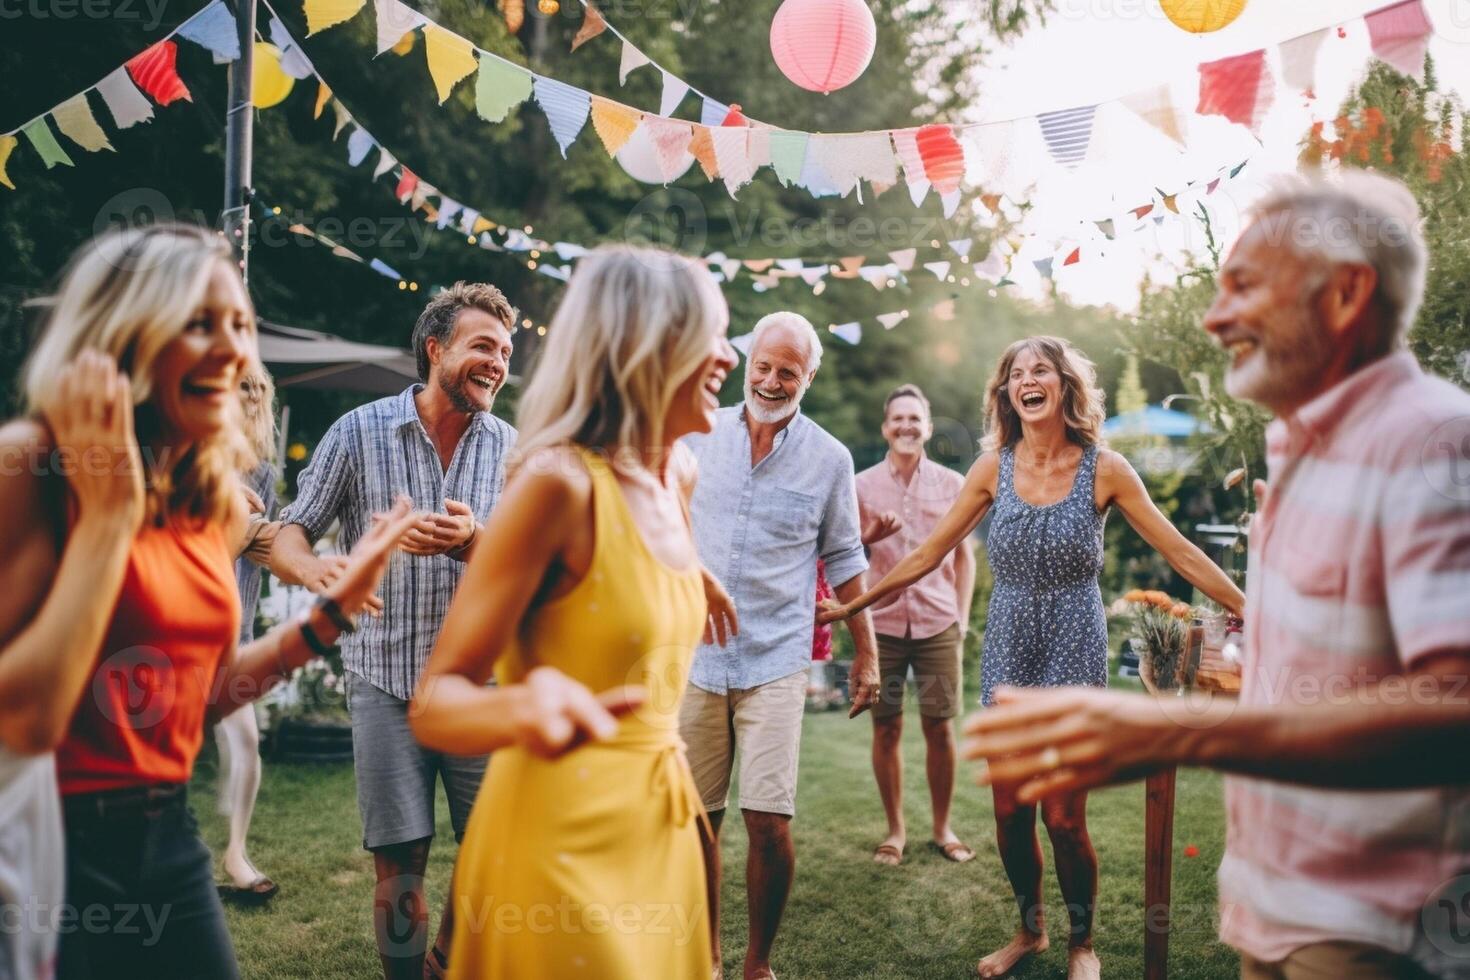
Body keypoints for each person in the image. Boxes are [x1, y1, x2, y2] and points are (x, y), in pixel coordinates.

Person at [960, 172, 1470, 980]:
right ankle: (1036, 930)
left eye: (1244, 287)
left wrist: (1177, 730)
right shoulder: (1294, 451)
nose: (1215, 316)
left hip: (1373, 926)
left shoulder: (1432, 442)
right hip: (1271, 904)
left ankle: (1081, 941)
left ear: (1345, 293)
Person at [0, 223, 423, 980]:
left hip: (166, 835)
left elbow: (201, 696)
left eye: (241, 325)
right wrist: (105, 523)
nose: (235, 351)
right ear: (123, 332)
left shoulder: (218, 500)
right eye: (201, 323)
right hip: (39, 847)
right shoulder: (31, 466)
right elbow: (22, 717)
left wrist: (329, 613)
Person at [820, 336, 1244, 980]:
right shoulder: (992, 468)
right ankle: (1030, 930)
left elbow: (1179, 551)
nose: (1027, 380)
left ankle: (1082, 944)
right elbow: (927, 554)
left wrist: (1254, 606)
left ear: (1064, 385)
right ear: (1007, 394)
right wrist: (855, 606)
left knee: (1065, 817)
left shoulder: (1106, 468)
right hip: (1011, 647)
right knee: (1010, 814)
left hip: (1073, 644)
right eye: (1017, 374)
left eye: (1040, 370)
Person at [409, 244, 739, 979]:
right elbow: (437, 701)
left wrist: (692, 580)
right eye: (711, 333)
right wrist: (526, 705)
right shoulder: (556, 486)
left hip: (661, 830)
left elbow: (624, 579)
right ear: (647, 344)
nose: (726, 355)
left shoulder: (677, 475)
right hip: (557, 846)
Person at [269, 281, 517, 979]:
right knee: (399, 864)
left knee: (493, 858)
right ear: (435, 349)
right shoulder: (357, 431)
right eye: (482, 347)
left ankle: (445, 958)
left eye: (504, 351)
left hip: (480, 689)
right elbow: (292, 528)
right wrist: (317, 574)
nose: (497, 363)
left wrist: (475, 541)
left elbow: (537, 568)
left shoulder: (516, 451)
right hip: (384, 682)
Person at [680, 310, 881, 980]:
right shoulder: (697, 435)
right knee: (694, 821)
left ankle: (756, 964)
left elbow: (848, 557)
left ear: (809, 376)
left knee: (768, 819)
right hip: (694, 657)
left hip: (775, 659)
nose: (770, 381)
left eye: (786, 371)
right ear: (747, 362)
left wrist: (868, 655)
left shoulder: (830, 459)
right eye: (762, 366)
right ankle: (703, 955)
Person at [856, 383, 977, 867]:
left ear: (926, 427)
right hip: (880, 624)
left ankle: (943, 827)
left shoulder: (952, 484)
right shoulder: (860, 486)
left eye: (915, 419)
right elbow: (846, 556)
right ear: (886, 427)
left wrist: (962, 619)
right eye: (897, 419)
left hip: (937, 621)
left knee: (940, 728)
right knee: (885, 729)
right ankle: (895, 831)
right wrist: (868, 536)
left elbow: (965, 556)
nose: (906, 426)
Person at [214, 360, 281, 904]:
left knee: (246, 744)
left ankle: (235, 851)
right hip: (170, 637)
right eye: (242, 387)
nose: (252, 396)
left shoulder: (261, 471)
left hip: (229, 634)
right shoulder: (182, 456)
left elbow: (258, 552)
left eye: (258, 386)